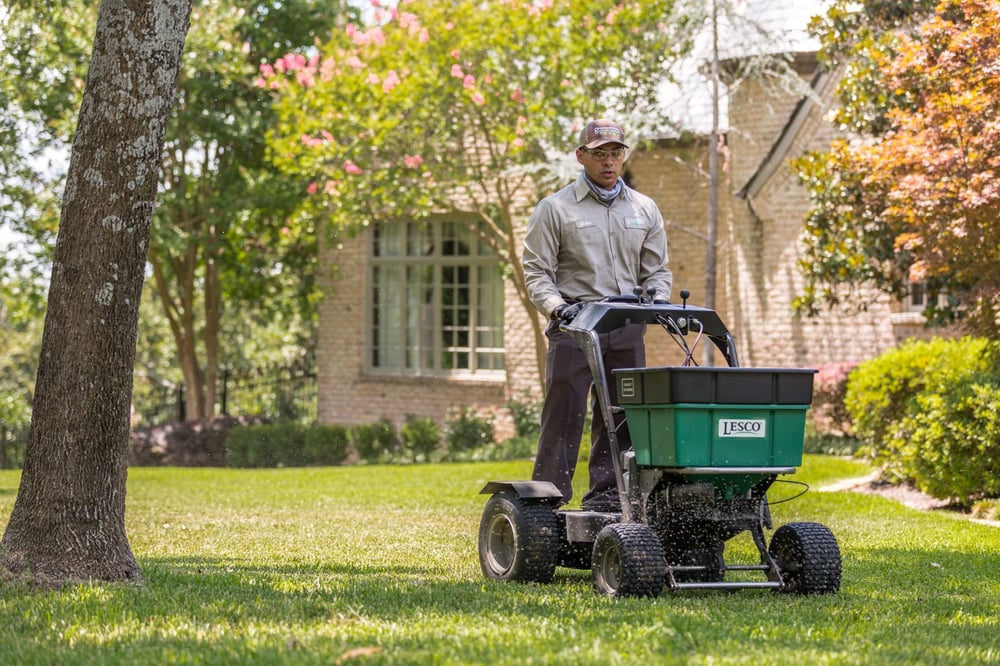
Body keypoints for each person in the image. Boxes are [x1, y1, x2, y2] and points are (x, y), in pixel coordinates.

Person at [522, 118, 672, 512]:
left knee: (621, 416)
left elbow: (656, 270)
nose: (608, 162)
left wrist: (657, 299)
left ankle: (606, 499)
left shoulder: (644, 208)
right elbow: (538, 272)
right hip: (575, 326)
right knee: (564, 411)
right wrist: (557, 307)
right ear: (581, 157)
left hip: (624, 325)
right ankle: (546, 500)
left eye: (615, 153)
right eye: (599, 154)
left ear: (623, 155)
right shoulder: (555, 208)